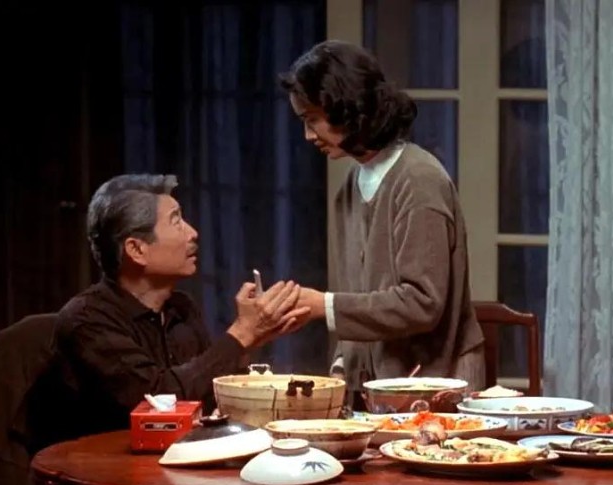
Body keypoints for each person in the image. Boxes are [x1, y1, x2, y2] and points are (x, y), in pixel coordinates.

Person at [278, 40, 485, 407]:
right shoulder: (351, 186)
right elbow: (362, 298)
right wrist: (342, 366)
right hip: (380, 389)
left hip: (437, 386)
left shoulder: (418, 179)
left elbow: (422, 303)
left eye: (312, 120)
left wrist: (323, 306)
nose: (308, 135)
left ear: (346, 107)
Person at [42, 173, 308, 442]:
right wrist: (243, 333)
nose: (193, 233)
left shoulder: (181, 308)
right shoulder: (88, 320)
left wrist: (253, 339)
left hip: (183, 457)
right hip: (105, 464)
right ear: (137, 249)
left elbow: (208, 397)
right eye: (176, 221)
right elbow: (158, 404)